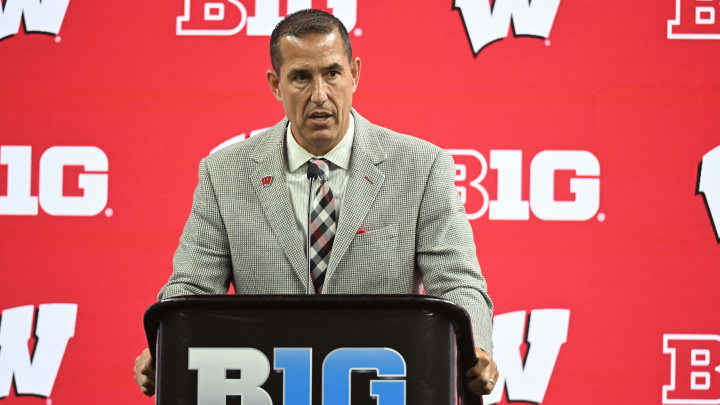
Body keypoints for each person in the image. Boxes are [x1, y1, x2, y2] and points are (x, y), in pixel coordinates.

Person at [134, 8, 498, 398]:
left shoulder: (422, 166)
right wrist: (163, 343)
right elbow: (191, 287)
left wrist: (474, 348)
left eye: (332, 73)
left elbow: (458, 283)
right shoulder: (224, 173)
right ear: (276, 84)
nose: (319, 94)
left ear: (354, 73)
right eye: (301, 77)